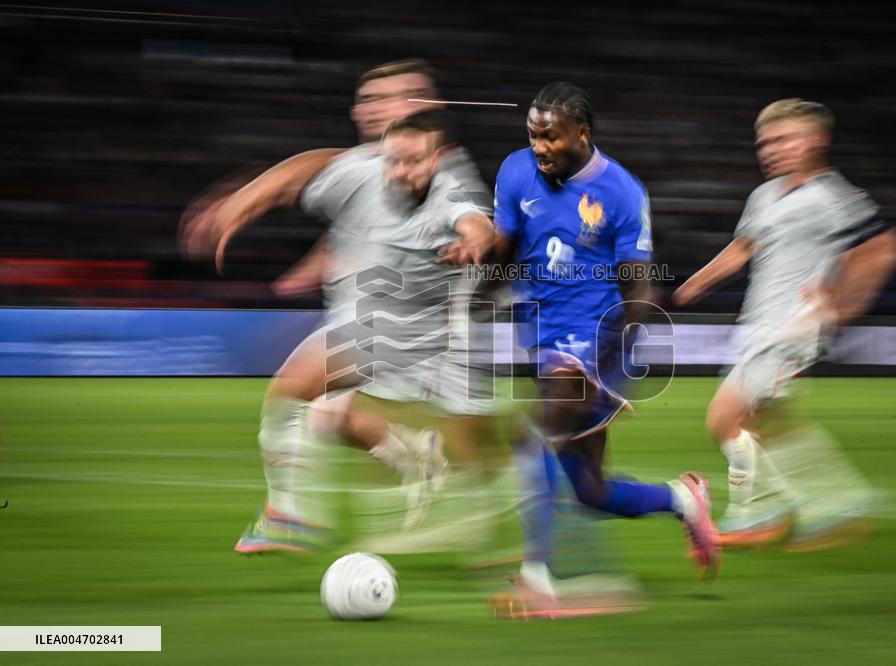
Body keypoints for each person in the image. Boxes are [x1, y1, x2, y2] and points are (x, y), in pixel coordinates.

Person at [180, 61, 496, 552]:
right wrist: (312, 255)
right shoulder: (375, 164)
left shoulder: (442, 172)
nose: (370, 109)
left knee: (292, 389)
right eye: (366, 100)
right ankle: (418, 459)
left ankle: (293, 517)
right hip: (387, 322)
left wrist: (476, 240)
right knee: (327, 419)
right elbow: (329, 184)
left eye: (387, 98)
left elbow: (469, 216)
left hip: (407, 327)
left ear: (424, 106)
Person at [487, 82, 720, 616]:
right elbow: (503, 254)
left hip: (595, 345)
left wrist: (605, 368)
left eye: (550, 137)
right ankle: (682, 499)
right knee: (590, 492)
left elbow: (638, 291)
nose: (539, 147)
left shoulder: (621, 191)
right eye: (533, 135)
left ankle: (539, 579)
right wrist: (476, 268)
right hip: (542, 341)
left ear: (582, 134)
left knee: (530, 434)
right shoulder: (515, 171)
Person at [674, 98, 896, 550]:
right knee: (764, 423)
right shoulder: (763, 196)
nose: (771, 150)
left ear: (816, 140)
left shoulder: (832, 195)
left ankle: (760, 515)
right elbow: (744, 248)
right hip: (756, 324)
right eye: (765, 142)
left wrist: (842, 303)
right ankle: (838, 507)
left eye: (783, 140)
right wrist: (696, 282)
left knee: (725, 417)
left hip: (791, 329)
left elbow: (884, 248)